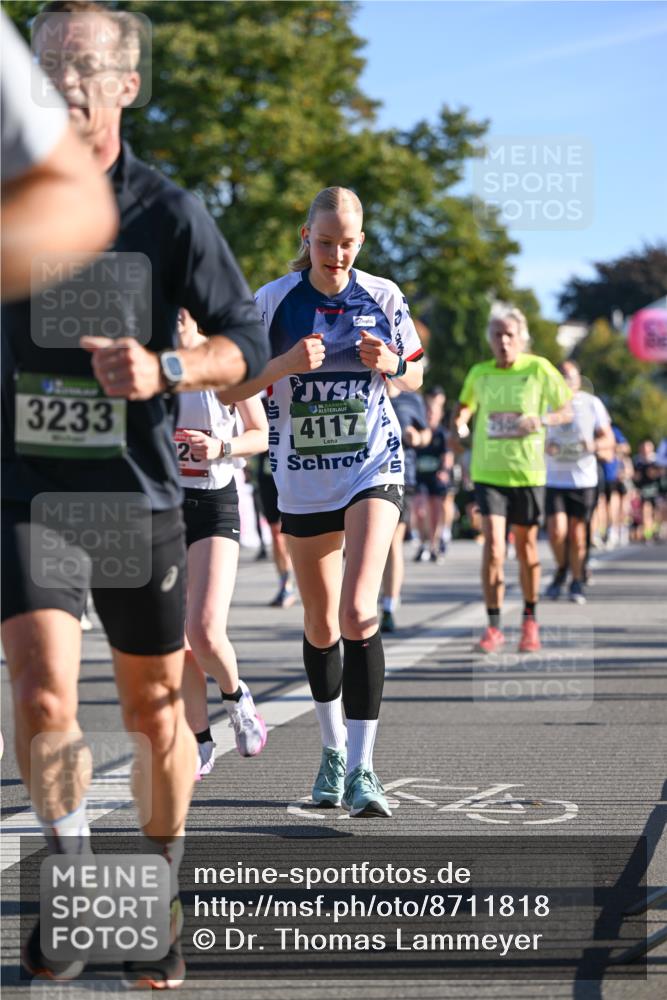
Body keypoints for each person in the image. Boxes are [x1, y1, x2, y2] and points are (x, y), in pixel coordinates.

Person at [1, 2, 268, 988]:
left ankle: (157, 887)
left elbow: (243, 344)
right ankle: (75, 888)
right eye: (44, 67)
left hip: (139, 495)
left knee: (155, 711)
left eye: (82, 67)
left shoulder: (168, 213)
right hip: (27, 491)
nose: (61, 83)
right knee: (39, 692)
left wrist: (164, 369)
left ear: (124, 84)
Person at [223, 186, 424, 817]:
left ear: (361, 242)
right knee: (321, 623)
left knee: (360, 611)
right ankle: (333, 752)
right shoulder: (273, 301)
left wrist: (392, 361)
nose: (336, 254)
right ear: (306, 236)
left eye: (348, 243)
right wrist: (282, 363)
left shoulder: (383, 296)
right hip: (303, 475)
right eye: (326, 241)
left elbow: (417, 371)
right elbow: (234, 385)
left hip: (371, 463)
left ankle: (365, 767)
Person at [174, 309, 268, 778]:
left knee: (205, 631)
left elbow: (261, 434)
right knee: (176, 639)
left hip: (215, 502)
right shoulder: (152, 363)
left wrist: (220, 448)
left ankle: (237, 699)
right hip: (163, 507)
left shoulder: (225, 361)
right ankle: (198, 741)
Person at [451, 305, 571, 654]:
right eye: (497, 335)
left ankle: (530, 621)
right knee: (493, 548)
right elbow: (465, 406)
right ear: (489, 339)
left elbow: (566, 410)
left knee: (526, 549)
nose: (503, 341)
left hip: (527, 473)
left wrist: (542, 420)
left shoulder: (539, 368)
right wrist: (460, 422)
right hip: (488, 473)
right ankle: (493, 627)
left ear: (521, 339)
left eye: (509, 335)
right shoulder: (480, 372)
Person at [1, 12, 117, 301]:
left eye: (86, 65)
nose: (66, 80)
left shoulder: (174, 211)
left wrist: (171, 350)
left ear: (128, 85)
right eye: (51, 65)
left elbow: (79, 200)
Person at [543, 360, 614, 604]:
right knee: (556, 532)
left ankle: (576, 580)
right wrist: (545, 446)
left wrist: (593, 445)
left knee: (577, 534)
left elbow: (609, 441)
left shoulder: (591, 404)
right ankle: (562, 569)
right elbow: (535, 434)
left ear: (578, 380)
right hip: (554, 478)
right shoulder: (546, 402)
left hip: (584, 479)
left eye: (570, 377)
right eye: (561, 376)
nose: (565, 381)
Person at [381, 381, 430, 632]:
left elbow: (426, 433)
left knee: (392, 541)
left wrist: (417, 437)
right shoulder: (359, 387)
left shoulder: (412, 398)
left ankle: (388, 606)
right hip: (357, 476)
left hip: (401, 476)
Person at [256, 397, 298, 608]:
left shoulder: (298, 393)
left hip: (294, 469)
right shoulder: (261, 400)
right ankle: (285, 584)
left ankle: (301, 574)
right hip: (267, 472)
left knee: (292, 531)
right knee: (276, 532)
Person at [413, 386, 452, 563]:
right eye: (427, 411)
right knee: (420, 510)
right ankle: (422, 543)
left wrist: (444, 471)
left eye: (433, 412)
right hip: (420, 476)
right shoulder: (418, 432)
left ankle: (434, 545)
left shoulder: (441, 434)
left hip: (436, 477)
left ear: (439, 414)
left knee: (436, 510)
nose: (430, 415)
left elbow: (447, 456)